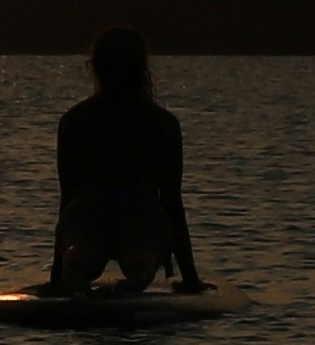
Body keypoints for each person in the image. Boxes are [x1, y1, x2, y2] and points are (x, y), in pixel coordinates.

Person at [41, 26, 203, 295]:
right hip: (141, 218)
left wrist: (56, 277)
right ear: (142, 68)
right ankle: (135, 278)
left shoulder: (74, 121)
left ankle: (74, 274)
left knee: (80, 262)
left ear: (94, 67)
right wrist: (190, 279)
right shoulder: (162, 124)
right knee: (140, 263)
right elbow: (172, 202)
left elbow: (67, 199)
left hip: (87, 217)